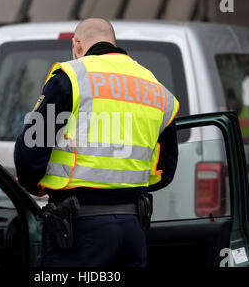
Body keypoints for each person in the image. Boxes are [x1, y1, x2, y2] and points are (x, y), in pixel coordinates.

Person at [14, 18, 180, 267]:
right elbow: (164, 171)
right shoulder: (157, 89)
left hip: (79, 230)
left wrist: (35, 184)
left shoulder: (72, 77)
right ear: (113, 42)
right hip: (132, 229)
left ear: (77, 44)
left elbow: (31, 147)